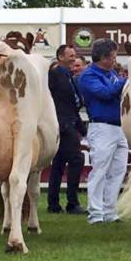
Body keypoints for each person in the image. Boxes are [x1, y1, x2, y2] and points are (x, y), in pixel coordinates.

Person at [79, 38, 128, 224]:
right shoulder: (89, 76)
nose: (114, 61)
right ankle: (96, 213)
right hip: (101, 126)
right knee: (99, 170)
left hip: (119, 127)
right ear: (102, 58)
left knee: (118, 170)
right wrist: (125, 80)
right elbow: (105, 93)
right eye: (112, 57)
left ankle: (110, 211)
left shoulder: (111, 74)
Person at [47, 45, 88, 215]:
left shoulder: (69, 75)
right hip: (62, 124)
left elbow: (73, 104)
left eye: (74, 55)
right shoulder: (55, 74)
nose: (73, 58)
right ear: (60, 57)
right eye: (70, 55)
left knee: (58, 163)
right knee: (77, 159)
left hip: (69, 122)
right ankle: (72, 202)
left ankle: (54, 204)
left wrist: (82, 129)